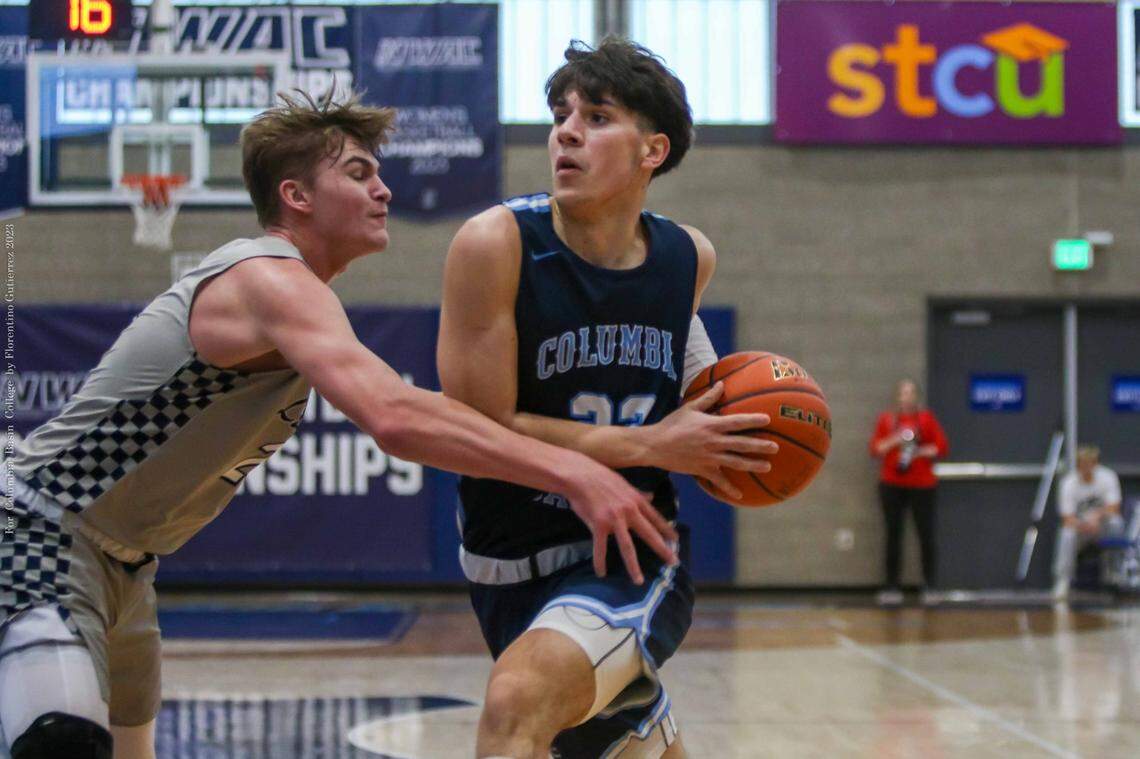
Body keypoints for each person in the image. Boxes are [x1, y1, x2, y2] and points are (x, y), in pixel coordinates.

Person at [0, 90, 678, 759]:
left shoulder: (303, 298)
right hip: (39, 532)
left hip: (126, 568)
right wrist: (575, 468)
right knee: (61, 745)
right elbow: (394, 415)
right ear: (296, 196)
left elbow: (428, 410)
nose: (383, 190)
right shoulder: (268, 277)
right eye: (359, 174)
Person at [437, 38, 775, 758]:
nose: (565, 129)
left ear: (652, 150)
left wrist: (739, 437)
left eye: (596, 116)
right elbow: (477, 428)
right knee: (620, 741)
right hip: (502, 562)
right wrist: (651, 443)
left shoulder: (687, 257)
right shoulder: (495, 244)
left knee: (516, 701)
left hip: (628, 553)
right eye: (561, 114)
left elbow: (700, 391)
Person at [868, 378, 948, 605]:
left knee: (926, 534)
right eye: (903, 392)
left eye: (911, 392)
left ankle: (930, 585)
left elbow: (941, 447)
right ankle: (891, 586)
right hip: (892, 484)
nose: (907, 396)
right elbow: (875, 449)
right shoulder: (887, 420)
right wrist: (897, 439)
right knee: (893, 534)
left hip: (922, 485)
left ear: (917, 396)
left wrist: (918, 451)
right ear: (897, 396)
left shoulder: (926, 420)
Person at [1052, 444, 1123, 600]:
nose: (1086, 467)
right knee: (1067, 534)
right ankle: (1063, 580)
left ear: (1096, 463)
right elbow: (1067, 518)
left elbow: (1114, 508)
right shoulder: (1069, 483)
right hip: (1080, 528)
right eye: (1082, 463)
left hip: (1102, 525)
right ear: (1078, 465)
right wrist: (1084, 525)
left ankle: (1113, 574)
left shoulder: (1108, 477)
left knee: (1116, 523)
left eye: (1089, 463)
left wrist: (1097, 516)